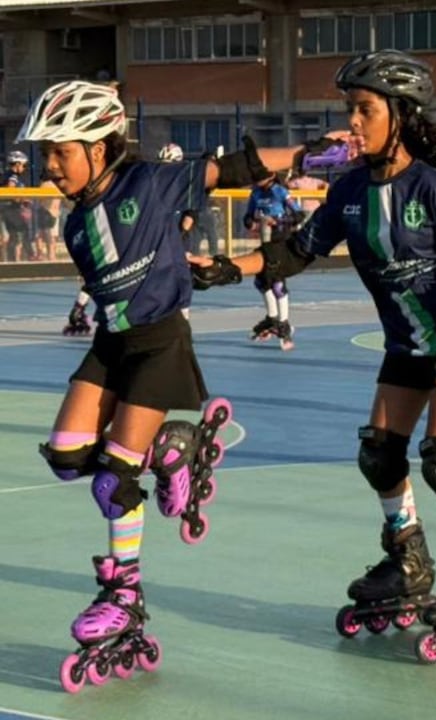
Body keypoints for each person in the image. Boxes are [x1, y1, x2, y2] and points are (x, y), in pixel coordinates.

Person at [188, 50, 436, 659]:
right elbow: (292, 253)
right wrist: (224, 268)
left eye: (365, 110)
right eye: (351, 110)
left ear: (400, 116)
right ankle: (408, 562)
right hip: (406, 347)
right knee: (378, 454)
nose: (354, 122)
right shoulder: (349, 192)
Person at [24, 79, 250, 691]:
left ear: (99, 147)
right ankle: (174, 447)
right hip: (111, 344)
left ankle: (122, 596)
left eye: (59, 152)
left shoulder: (150, 181)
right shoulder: (75, 226)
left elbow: (235, 166)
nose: (48, 167)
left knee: (113, 479)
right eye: (46, 153)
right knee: (70, 457)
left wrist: (317, 155)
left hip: (159, 344)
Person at [243, 171, 304, 349]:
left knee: (277, 283)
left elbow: (299, 215)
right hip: (265, 241)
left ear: (270, 176)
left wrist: (278, 221)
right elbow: (247, 217)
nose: (257, 179)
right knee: (261, 282)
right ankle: (272, 318)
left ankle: (283, 324)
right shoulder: (255, 193)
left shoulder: (280, 192)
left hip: (280, 240)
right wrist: (253, 222)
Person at [3, 150, 35, 261]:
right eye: (23, 165)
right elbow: (10, 189)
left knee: (12, 237)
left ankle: (14, 260)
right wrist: (22, 199)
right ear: (17, 164)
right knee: (19, 235)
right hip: (11, 210)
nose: (24, 168)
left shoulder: (7, 175)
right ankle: (17, 260)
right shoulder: (13, 175)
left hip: (9, 210)